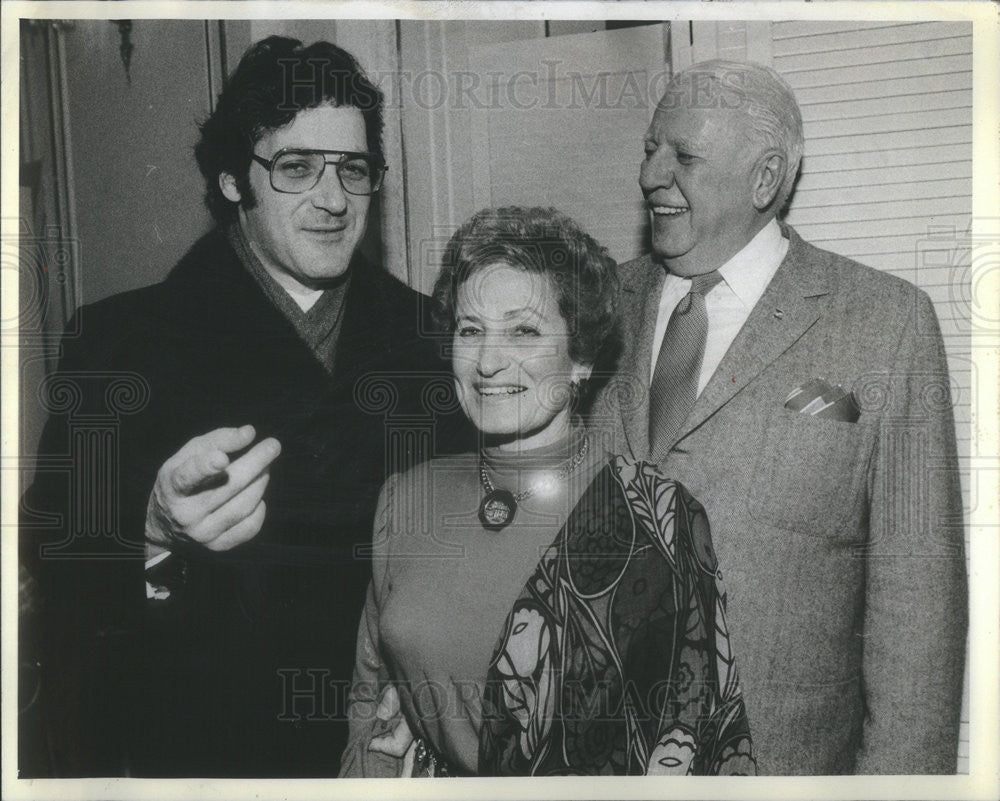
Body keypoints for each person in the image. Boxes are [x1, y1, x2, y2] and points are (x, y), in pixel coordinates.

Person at [20, 36, 467, 777]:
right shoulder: (118, 346)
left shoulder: (432, 340)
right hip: (209, 760)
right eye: (296, 168)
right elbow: (54, 564)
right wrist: (153, 533)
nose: (333, 199)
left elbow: (472, 543)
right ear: (232, 179)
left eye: (354, 170)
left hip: (395, 757)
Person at [589, 60, 967, 774]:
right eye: (650, 149)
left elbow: (920, 617)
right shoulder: (599, 303)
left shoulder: (886, 324)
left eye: (684, 157)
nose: (650, 176)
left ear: (765, 179)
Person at [339, 206, 757, 777]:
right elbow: (371, 712)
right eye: (470, 330)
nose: (488, 361)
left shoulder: (656, 518)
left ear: (582, 357)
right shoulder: (406, 498)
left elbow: (697, 746)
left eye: (524, 331)